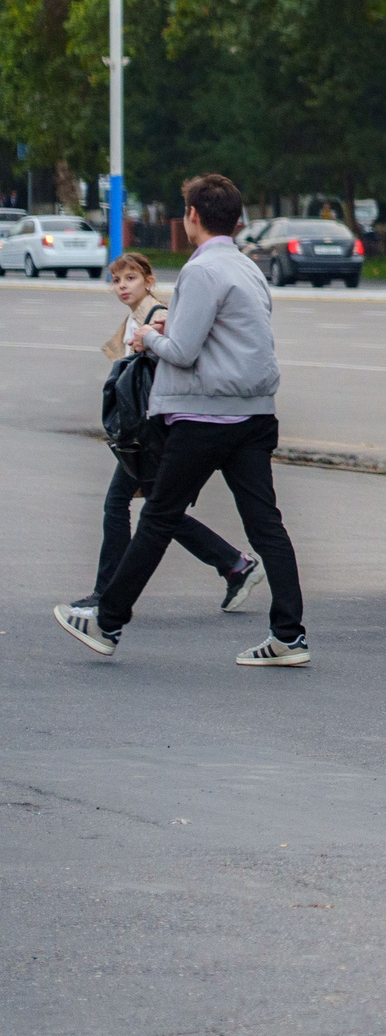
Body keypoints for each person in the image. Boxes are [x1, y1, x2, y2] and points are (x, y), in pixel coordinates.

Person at [56, 172, 309, 666]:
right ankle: (289, 636)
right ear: (236, 219)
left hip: (205, 417)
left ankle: (106, 622)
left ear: (192, 216)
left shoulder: (199, 271)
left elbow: (184, 351)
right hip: (255, 415)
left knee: (157, 518)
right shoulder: (247, 267)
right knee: (266, 527)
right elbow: (232, 334)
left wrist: (147, 337)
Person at [73, 254, 262, 616]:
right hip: (144, 430)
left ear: (148, 280)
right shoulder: (132, 320)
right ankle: (235, 564)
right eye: (116, 281)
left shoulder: (156, 316)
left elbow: (177, 358)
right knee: (161, 510)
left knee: (124, 505)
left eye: (130, 278)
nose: (123, 286)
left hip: (155, 432)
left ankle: (105, 594)